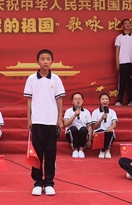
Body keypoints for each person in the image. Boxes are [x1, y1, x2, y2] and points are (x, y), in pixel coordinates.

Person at [23, 49, 65, 196]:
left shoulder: (56, 79)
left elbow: (59, 99)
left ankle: (49, 183)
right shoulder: (31, 79)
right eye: (42, 59)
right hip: (37, 121)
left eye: (48, 59)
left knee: (51, 153)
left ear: (52, 62)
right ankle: (37, 182)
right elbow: (29, 100)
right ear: (37, 61)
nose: (45, 61)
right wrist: (29, 119)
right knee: (37, 153)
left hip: (51, 121)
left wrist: (59, 118)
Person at [115, 19, 132, 106]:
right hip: (123, 62)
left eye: (129, 23)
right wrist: (117, 63)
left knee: (131, 82)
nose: (128, 25)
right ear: (122, 26)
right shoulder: (119, 37)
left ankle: (131, 100)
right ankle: (119, 100)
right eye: (126, 23)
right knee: (122, 82)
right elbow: (117, 51)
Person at [64, 92, 92, 158]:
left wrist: (89, 140)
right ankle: (75, 150)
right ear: (72, 101)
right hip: (71, 133)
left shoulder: (86, 112)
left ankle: (81, 150)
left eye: (79, 99)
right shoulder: (69, 111)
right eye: (75, 99)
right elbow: (65, 124)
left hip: (82, 134)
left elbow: (89, 126)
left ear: (82, 101)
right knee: (74, 129)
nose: (78, 100)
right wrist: (75, 115)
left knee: (84, 129)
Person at [91, 92, 117, 159]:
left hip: (108, 130)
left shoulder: (112, 112)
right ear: (99, 101)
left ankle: (107, 150)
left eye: (106, 99)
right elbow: (95, 127)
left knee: (109, 132)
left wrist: (110, 127)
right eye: (103, 99)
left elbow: (114, 124)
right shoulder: (95, 112)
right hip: (99, 131)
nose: (105, 101)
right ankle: (102, 150)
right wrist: (102, 118)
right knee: (101, 132)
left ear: (109, 101)